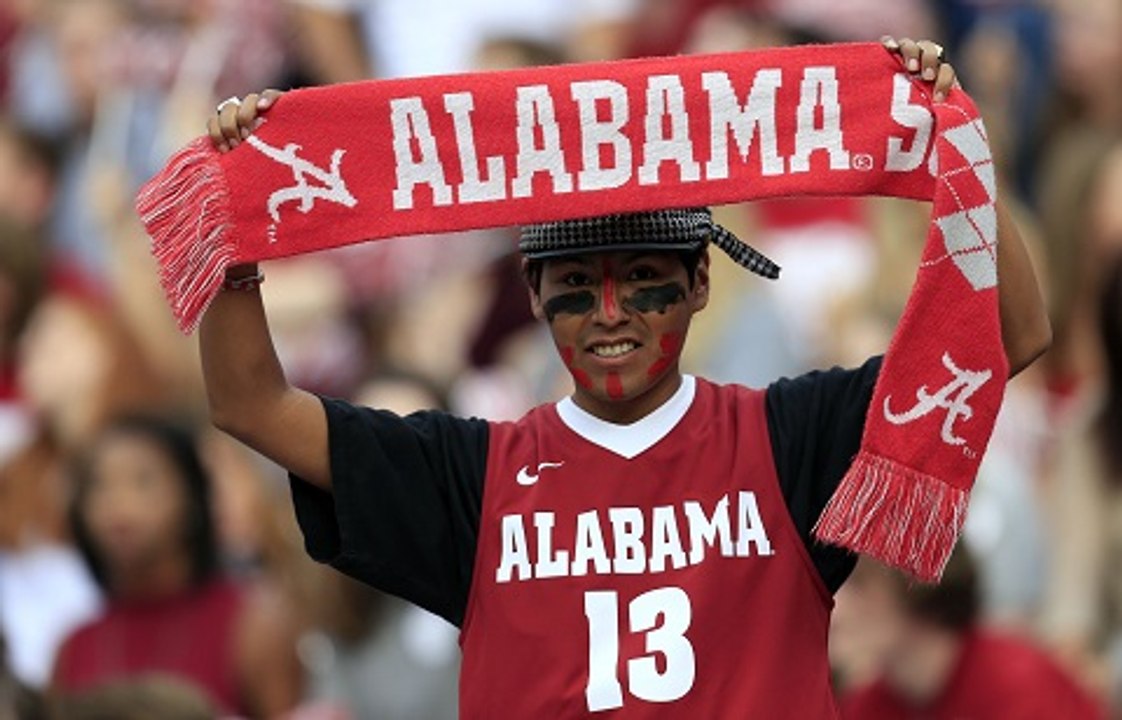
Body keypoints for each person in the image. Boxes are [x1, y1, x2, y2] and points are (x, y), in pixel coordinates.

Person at [200, 39, 1050, 717]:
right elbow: (249, 405)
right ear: (533, 296)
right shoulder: (470, 477)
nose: (610, 314)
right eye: (576, 285)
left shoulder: (791, 438)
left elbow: (1010, 334)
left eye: (643, 278)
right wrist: (235, 236)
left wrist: (952, 147)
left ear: (701, 282)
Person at [51, 415, 303, 718]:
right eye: (98, 485)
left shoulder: (252, 625)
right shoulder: (74, 645)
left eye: (143, 481)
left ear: (192, 497)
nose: (117, 504)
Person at [837, 549, 1106, 719]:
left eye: (859, 584)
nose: (837, 603)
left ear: (918, 583)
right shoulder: (866, 705)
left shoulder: (1020, 684)